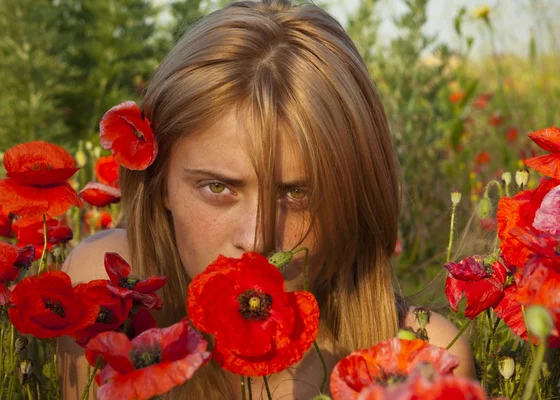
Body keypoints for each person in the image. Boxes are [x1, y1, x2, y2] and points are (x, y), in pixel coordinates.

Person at [57, 0, 476, 398]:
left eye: (297, 192)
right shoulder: (106, 290)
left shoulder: (423, 358)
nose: (257, 240)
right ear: (160, 179)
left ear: (354, 194)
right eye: (217, 187)